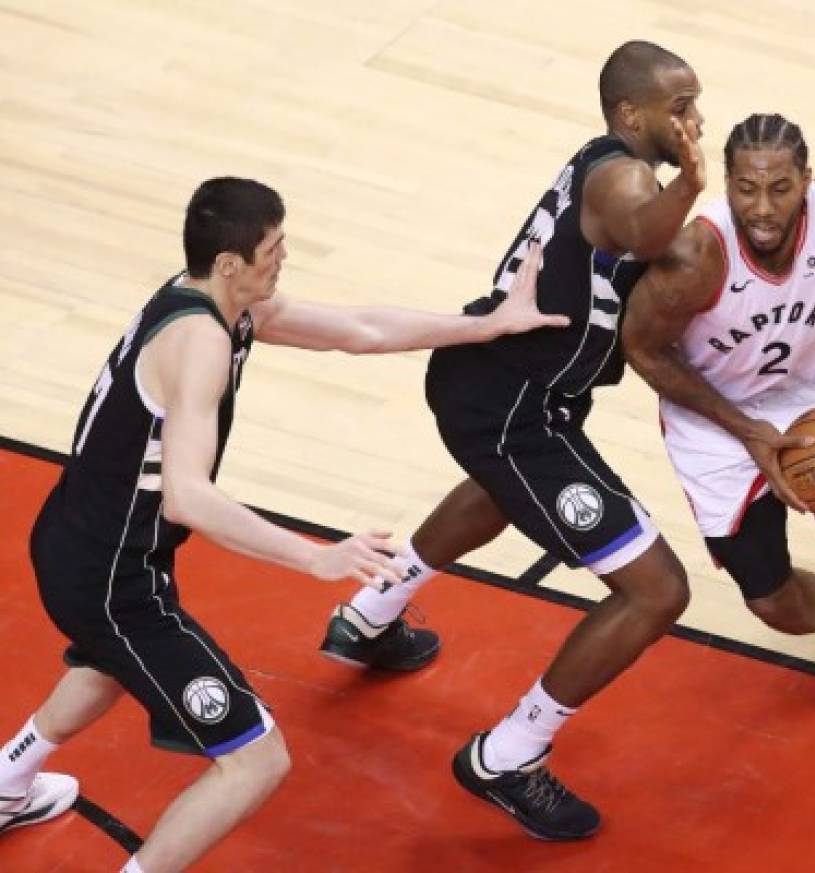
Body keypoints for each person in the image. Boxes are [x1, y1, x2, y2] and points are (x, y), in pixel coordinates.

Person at [0, 177, 563, 872]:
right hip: (110, 575)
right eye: (273, 248)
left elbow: (358, 331)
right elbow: (187, 498)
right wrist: (315, 557)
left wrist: (488, 322)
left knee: (111, 664)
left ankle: (5, 783)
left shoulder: (218, 300)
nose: (284, 255)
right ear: (231, 262)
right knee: (257, 760)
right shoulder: (200, 343)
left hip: (79, 540)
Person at [319, 40, 705, 841]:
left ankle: (371, 610)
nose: (694, 120)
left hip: (508, 388)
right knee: (657, 589)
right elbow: (638, 230)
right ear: (631, 115)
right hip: (511, 404)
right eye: (680, 107)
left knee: (501, 491)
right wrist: (698, 185)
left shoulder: (618, 165)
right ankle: (509, 752)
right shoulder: (621, 178)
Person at [622, 112, 815, 718]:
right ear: (725, 182)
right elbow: (642, 351)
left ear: (806, 180)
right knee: (772, 606)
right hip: (715, 413)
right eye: (746, 188)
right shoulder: (695, 256)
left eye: (780, 189)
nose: (762, 207)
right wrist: (747, 430)